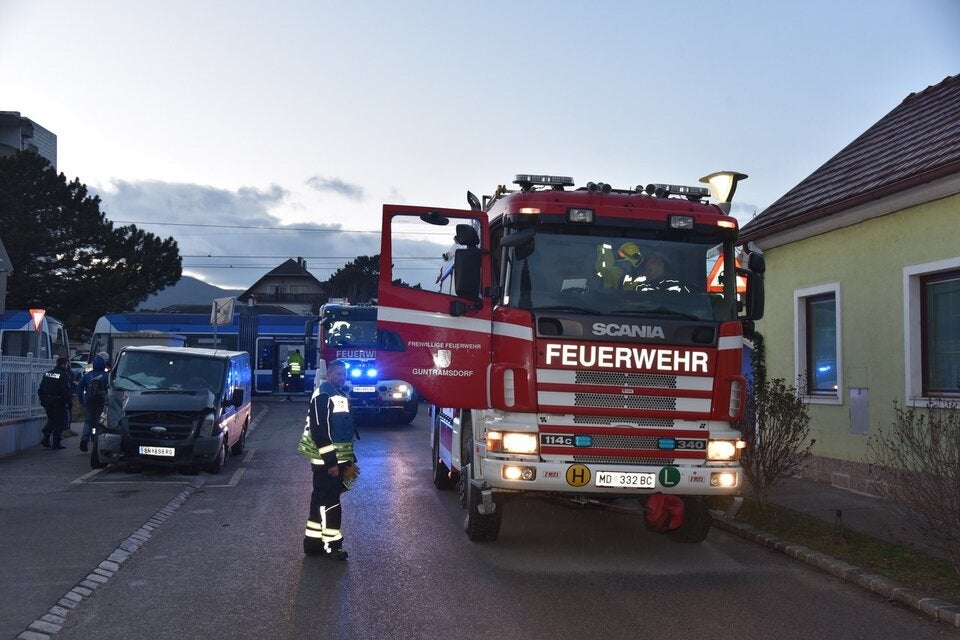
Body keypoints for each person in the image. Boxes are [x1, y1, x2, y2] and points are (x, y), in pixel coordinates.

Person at [298, 359, 358, 560]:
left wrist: (349, 459)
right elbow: (319, 430)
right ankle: (333, 546)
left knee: (320, 500)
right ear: (329, 374)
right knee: (330, 504)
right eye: (338, 374)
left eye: (344, 374)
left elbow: (343, 431)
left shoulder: (338, 394)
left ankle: (313, 543)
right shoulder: (323, 395)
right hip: (326, 462)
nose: (342, 377)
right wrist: (331, 462)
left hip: (335, 460)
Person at [76, 353, 110, 452]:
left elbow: (79, 388)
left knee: (88, 422)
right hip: (101, 402)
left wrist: (82, 400)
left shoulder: (87, 375)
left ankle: (84, 439)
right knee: (98, 423)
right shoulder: (106, 376)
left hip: (89, 401)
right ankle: (95, 441)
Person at [38, 356, 73, 450]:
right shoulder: (64, 375)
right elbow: (66, 391)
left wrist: (43, 401)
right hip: (59, 402)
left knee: (51, 420)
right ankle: (56, 443)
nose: (67, 366)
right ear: (63, 364)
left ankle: (45, 438)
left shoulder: (48, 374)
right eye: (66, 364)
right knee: (59, 423)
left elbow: (41, 389)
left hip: (48, 401)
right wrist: (69, 403)